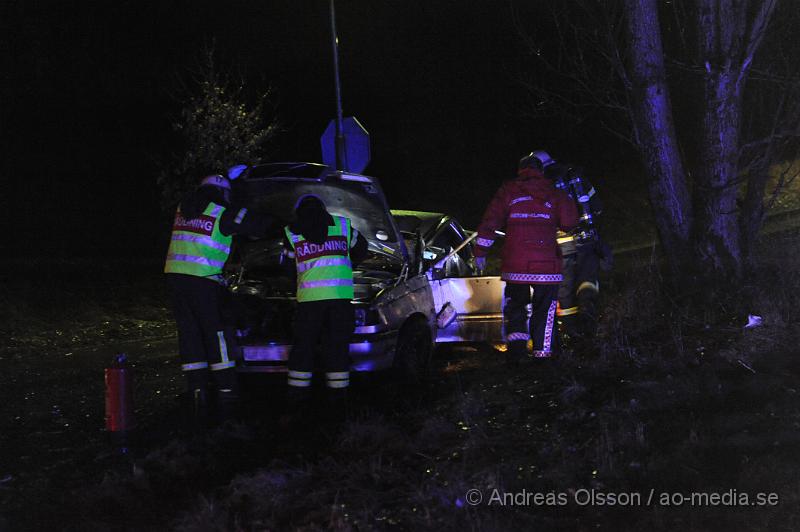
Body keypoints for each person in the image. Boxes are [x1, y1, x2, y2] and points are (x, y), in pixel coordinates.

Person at [164, 172, 281, 422]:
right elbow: (255, 224)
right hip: (203, 282)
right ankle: (227, 393)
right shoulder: (222, 211)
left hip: (176, 280)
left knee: (190, 334)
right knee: (217, 334)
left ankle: (198, 394)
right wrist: (282, 222)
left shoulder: (184, 208)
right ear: (223, 193)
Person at [474, 152, 578, 365]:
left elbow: (490, 222)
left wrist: (480, 254)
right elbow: (569, 222)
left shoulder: (508, 191)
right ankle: (543, 355)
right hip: (547, 265)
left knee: (516, 308)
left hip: (516, 264)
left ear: (520, 170)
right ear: (541, 170)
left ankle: (517, 354)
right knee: (544, 309)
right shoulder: (553, 192)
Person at [282, 194, 368, 428]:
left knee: (303, 351)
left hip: (309, 302)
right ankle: (338, 408)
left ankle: (297, 406)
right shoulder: (341, 225)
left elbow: (287, 269)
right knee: (337, 350)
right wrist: (348, 265)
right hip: (340, 302)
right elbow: (363, 248)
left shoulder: (292, 232)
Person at [529, 150, 612, 342]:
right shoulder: (577, 176)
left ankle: (572, 333)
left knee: (564, 291)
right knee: (587, 281)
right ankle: (590, 323)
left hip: (560, 247)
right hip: (587, 241)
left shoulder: (541, 186)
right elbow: (597, 207)